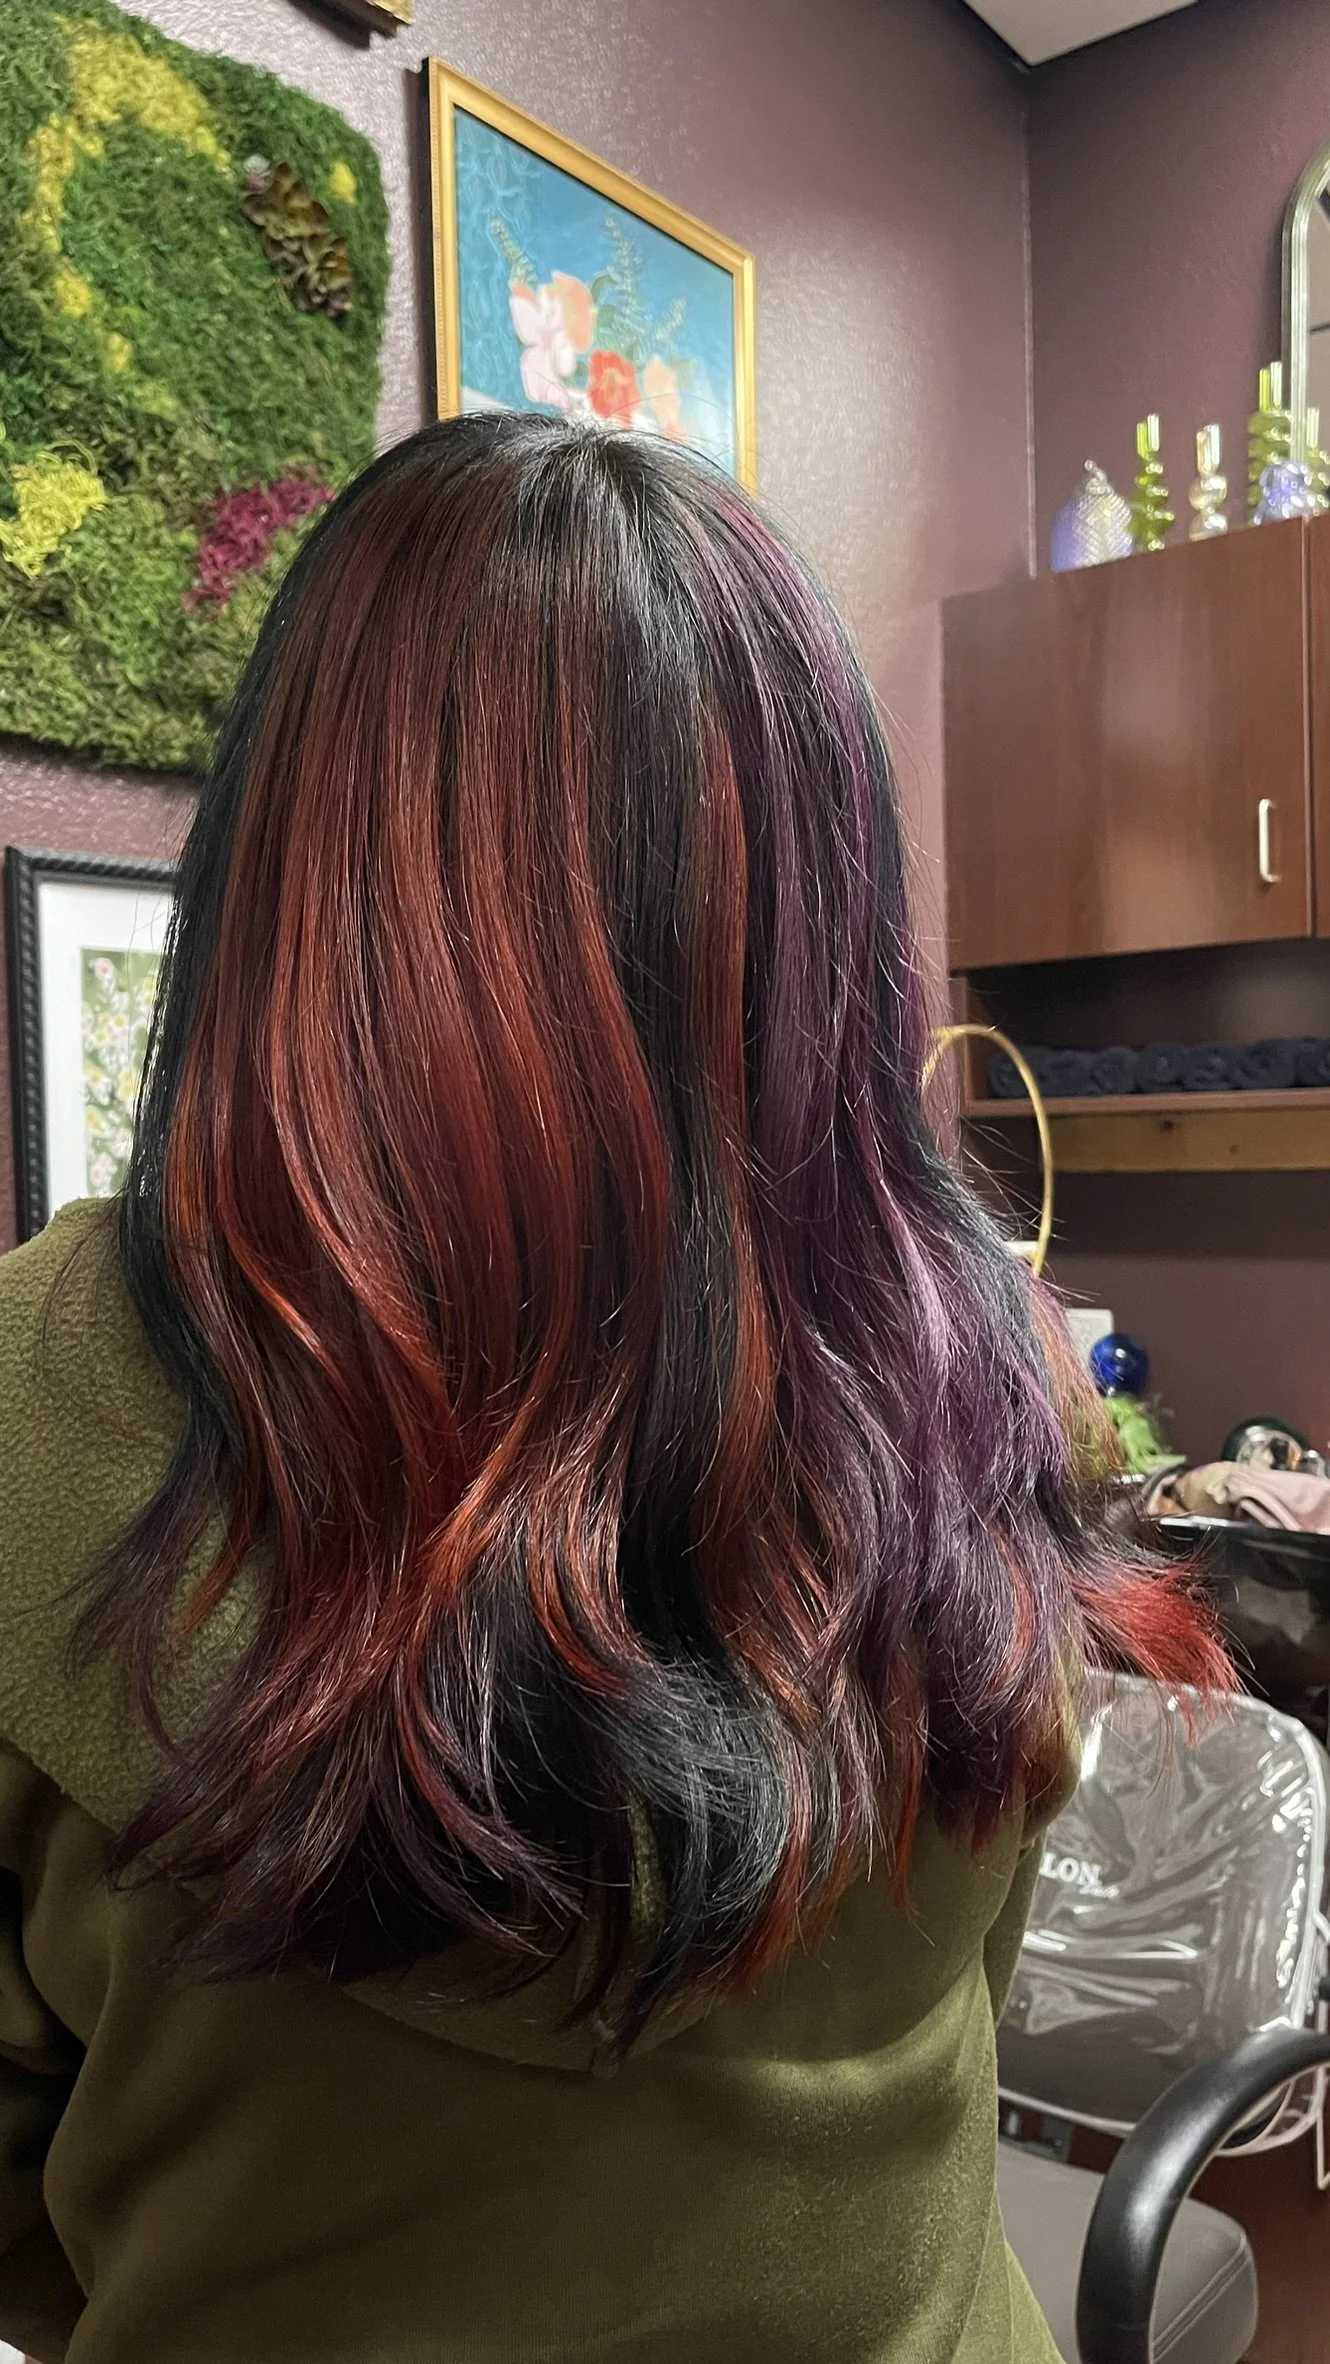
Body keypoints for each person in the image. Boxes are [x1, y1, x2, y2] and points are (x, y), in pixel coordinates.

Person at [0, 415, 1223, 2364]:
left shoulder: (33, 1398)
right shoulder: (977, 1352)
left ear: (290, 873)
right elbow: (979, 1964)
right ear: (825, 923)